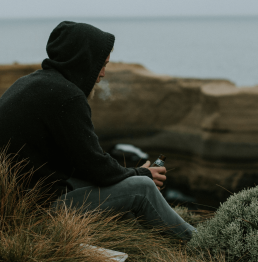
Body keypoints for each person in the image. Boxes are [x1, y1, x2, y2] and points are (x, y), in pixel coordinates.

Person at [0, 21, 195, 241]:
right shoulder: (67, 96)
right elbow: (94, 166)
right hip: (36, 214)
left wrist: (127, 175)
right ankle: (202, 243)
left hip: (16, 205)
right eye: (100, 64)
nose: (102, 74)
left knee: (124, 183)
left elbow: (81, 164)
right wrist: (142, 174)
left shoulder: (30, 83)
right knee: (142, 189)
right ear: (84, 60)